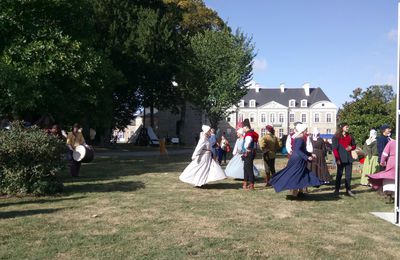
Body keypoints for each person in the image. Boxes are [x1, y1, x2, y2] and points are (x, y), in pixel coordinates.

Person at [269, 123, 320, 197]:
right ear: (302, 130)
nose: (306, 131)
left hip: (298, 158)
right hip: (298, 159)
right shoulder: (300, 138)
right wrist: (307, 157)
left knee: (300, 174)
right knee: (296, 175)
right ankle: (295, 194)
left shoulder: (299, 137)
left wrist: (310, 154)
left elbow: (302, 150)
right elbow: (298, 150)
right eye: (305, 129)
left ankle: (300, 192)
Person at [332, 122, 356, 197]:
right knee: (339, 175)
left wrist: (351, 147)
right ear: (342, 128)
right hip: (340, 159)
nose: (348, 128)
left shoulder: (350, 136)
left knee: (348, 175)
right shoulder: (336, 137)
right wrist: (337, 159)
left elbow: (354, 145)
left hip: (349, 158)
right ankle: (337, 190)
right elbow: (335, 149)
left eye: (348, 127)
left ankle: (348, 190)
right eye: (346, 127)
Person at [242, 119, 259, 190]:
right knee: (246, 168)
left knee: (249, 169)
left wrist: (245, 148)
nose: (242, 129)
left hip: (249, 152)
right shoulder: (251, 133)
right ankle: (245, 184)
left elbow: (247, 143)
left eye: (243, 127)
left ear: (246, 127)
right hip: (250, 152)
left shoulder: (249, 134)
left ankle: (251, 184)